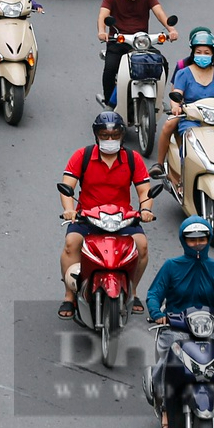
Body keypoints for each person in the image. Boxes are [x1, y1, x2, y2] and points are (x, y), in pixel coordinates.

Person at [144, 217, 214, 428]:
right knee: (166, 361)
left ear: (208, 240)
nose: (197, 244)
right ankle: (165, 404)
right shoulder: (171, 266)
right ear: (183, 240)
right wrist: (158, 314)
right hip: (175, 328)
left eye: (202, 239)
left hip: (209, 329)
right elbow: (154, 294)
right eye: (192, 240)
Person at [58, 110, 155, 317]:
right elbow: (67, 186)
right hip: (88, 216)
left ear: (121, 136)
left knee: (142, 247)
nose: (110, 140)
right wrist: (69, 209)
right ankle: (69, 296)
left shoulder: (132, 158)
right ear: (97, 136)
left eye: (114, 136)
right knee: (70, 245)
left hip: (123, 218)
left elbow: (144, 190)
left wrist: (145, 209)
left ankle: (133, 290)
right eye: (105, 136)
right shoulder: (82, 156)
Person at [157, 27, 214, 166]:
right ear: (193, 53)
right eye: (198, 52)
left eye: (206, 53)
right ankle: (160, 164)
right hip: (190, 117)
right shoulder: (183, 73)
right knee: (169, 126)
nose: (202, 55)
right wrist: (175, 107)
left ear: (213, 54)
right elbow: (177, 94)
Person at [97, 0, 175, 106]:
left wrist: (171, 30)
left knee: (162, 63)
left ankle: (158, 98)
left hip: (141, 42)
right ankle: (109, 102)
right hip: (118, 41)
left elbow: (159, 13)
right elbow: (103, 15)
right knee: (110, 69)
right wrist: (102, 31)